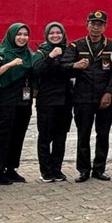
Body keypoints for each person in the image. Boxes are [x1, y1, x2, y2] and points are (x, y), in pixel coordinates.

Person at [69, 10, 112, 182]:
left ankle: (99, 169)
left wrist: (109, 93)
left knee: (103, 134)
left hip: (104, 97)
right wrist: (74, 65)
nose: (96, 28)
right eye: (93, 24)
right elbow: (64, 64)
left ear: (105, 26)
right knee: (83, 134)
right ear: (87, 25)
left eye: (100, 25)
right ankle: (83, 169)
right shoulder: (77, 45)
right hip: (82, 98)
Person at [0, 23, 38, 184]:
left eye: (25, 34)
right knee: (4, 134)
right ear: (11, 35)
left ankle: (11, 168)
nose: (22, 38)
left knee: (18, 134)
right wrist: (10, 64)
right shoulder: (1, 54)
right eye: (19, 34)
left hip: (24, 99)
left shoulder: (29, 54)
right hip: (5, 99)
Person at [32, 22, 73, 183]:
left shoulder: (68, 51)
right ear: (46, 35)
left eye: (58, 33)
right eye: (52, 33)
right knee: (45, 136)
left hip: (65, 100)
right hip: (47, 100)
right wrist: (50, 56)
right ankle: (46, 171)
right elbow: (36, 70)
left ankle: (57, 169)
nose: (55, 35)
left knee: (60, 136)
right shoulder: (41, 52)